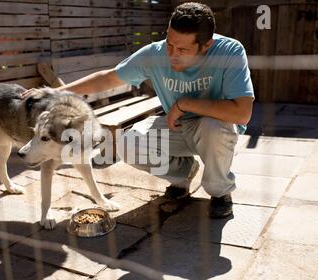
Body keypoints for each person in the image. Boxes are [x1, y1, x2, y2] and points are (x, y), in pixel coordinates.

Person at [21, 2, 254, 219]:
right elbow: (108, 77)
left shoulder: (229, 52)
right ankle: (183, 175)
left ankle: (219, 191)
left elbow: (242, 113)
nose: (171, 54)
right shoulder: (155, 54)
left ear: (206, 45)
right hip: (177, 126)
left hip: (215, 128)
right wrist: (56, 92)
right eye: (169, 43)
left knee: (213, 127)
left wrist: (185, 103)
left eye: (182, 49)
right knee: (127, 143)